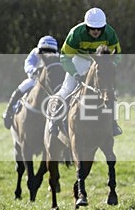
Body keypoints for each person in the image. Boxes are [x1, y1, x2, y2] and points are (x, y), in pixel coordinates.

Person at [51, 7, 123, 136]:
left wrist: (110, 66)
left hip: (102, 63)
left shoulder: (110, 33)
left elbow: (117, 55)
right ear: (86, 26)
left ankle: (113, 124)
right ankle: (54, 120)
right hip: (79, 60)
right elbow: (65, 57)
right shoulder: (76, 33)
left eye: (99, 28)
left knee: (110, 92)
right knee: (67, 88)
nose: (96, 31)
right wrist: (75, 73)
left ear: (104, 27)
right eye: (92, 28)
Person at [1, 35, 59, 129]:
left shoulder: (57, 57)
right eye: (44, 51)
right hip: (34, 80)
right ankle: (8, 112)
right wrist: (33, 70)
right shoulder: (35, 53)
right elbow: (28, 63)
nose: (47, 54)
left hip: (48, 81)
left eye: (50, 51)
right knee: (21, 88)